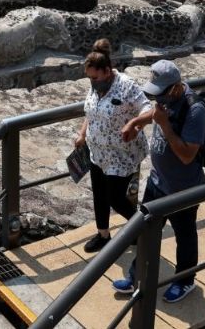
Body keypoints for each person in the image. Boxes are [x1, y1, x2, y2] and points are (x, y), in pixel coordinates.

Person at [112, 59, 205, 303]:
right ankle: (136, 276)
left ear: (175, 88)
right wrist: (135, 123)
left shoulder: (194, 110)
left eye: (161, 94)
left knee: (184, 236)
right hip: (157, 183)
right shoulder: (165, 99)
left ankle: (185, 281)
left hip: (183, 190)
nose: (158, 100)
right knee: (145, 232)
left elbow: (187, 155)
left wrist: (165, 125)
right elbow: (154, 115)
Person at [74, 39, 151, 253]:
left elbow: (148, 110)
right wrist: (82, 134)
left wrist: (133, 124)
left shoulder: (126, 86)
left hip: (121, 154)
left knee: (116, 198)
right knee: (99, 194)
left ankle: (143, 227)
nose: (92, 82)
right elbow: (91, 112)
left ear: (107, 71)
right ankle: (103, 235)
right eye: (89, 78)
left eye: (95, 77)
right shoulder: (96, 86)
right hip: (97, 151)